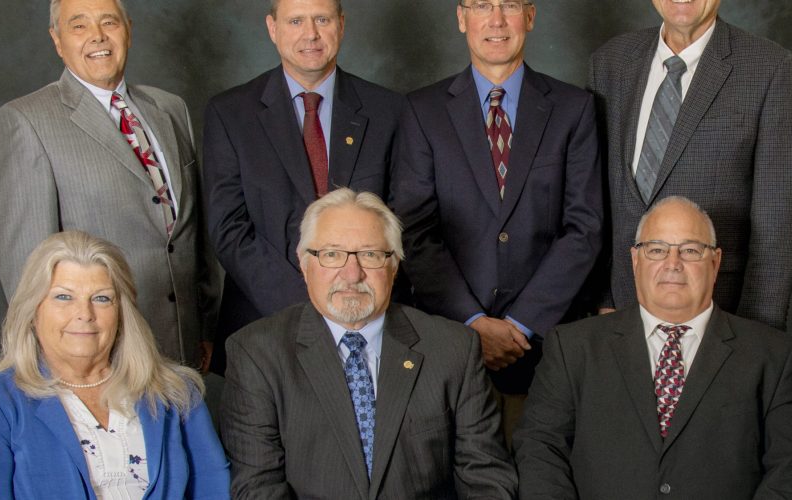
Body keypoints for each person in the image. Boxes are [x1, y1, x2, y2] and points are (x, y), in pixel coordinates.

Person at [388, 0, 603, 441]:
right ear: (461, 17)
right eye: (482, 5)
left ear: (531, 15)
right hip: (449, 343)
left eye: (509, 5)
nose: (497, 20)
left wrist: (520, 324)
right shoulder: (422, 111)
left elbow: (584, 228)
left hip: (545, 344)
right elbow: (413, 229)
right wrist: (472, 323)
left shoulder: (573, 108)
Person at [220, 188, 517, 498]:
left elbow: (487, 479)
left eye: (370, 254)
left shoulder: (454, 349)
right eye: (332, 254)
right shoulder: (256, 354)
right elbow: (258, 488)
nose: (352, 274)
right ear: (304, 264)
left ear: (394, 265)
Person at [514, 196, 792, 499]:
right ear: (635, 260)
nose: (673, 264)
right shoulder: (572, 348)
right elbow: (541, 450)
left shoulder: (776, 358)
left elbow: (789, 470)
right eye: (656, 250)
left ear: (715, 261)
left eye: (690, 250)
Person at [0, 0, 216, 368]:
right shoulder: (27, 121)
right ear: (57, 39)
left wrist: (205, 325)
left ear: (128, 28)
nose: (98, 36)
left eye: (108, 22)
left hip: (184, 347)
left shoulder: (171, 109)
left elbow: (194, 236)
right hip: (99, 356)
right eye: (79, 26)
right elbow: (26, 275)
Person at [0, 231, 229, 499]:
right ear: (33, 310)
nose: (84, 313)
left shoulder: (176, 393)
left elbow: (214, 490)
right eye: (63, 297)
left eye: (101, 298)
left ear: (121, 312)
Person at [202, 0, 404, 374]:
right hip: (262, 325)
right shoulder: (230, 113)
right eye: (295, 20)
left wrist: (349, 302)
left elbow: (402, 218)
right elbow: (229, 229)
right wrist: (314, 308)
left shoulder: (388, 111)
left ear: (341, 25)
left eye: (322, 19)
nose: (310, 33)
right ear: (272, 28)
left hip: (368, 322)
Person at [590, 0, 792, 330]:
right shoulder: (610, 63)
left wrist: (757, 334)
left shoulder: (769, 68)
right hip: (619, 310)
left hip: (723, 312)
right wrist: (604, 298)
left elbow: (778, 221)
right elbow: (593, 197)